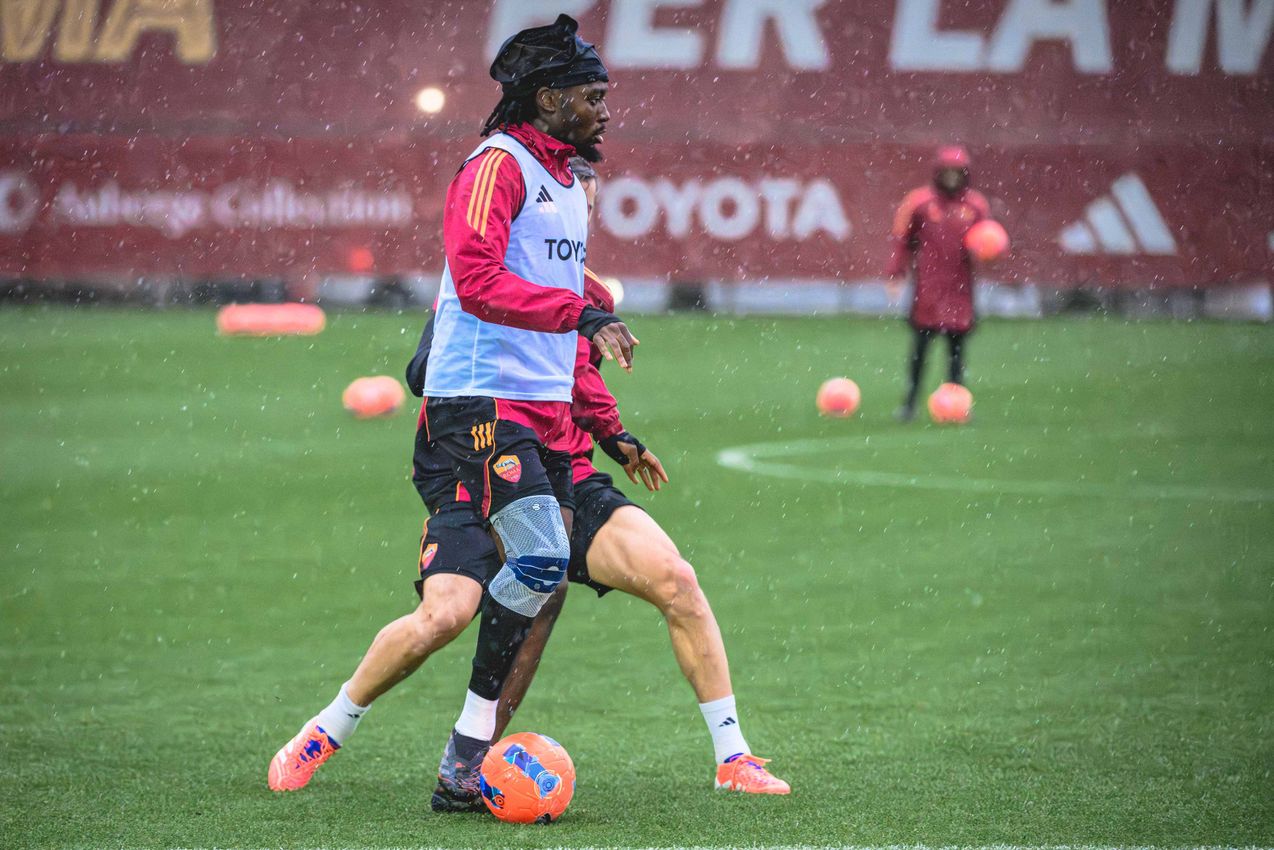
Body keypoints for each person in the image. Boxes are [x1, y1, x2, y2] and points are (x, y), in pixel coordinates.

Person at [267, 14, 639, 793]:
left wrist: (606, 408)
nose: (606, 109)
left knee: (499, 594)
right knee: (538, 563)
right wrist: (584, 315)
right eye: (592, 96)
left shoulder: (570, 182)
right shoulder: (496, 167)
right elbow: (475, 283)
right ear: (546, 98)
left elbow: (564, 293)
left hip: (541, 409)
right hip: (476, 400)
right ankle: (459, 755)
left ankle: (448, 758)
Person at [428, 159, 790, 806]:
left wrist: (618, 438)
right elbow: (433, 367)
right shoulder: (493, 281)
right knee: (532, 600)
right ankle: (468, 762)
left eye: (586, 208)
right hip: (507, 462)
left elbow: (583, 381)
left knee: (677, 580)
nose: (579, 220)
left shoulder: (588, 293)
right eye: (570, 206)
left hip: (575, 473)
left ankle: (733, 756)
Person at [885, 145, 990, 421]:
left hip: (960, 289)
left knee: (956, 352)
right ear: (938, 173)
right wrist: (896, 273)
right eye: (948, 172)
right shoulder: (919, 202)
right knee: (920, 349)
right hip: (928, 289)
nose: (952, 178)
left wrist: (990, 252)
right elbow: (902, 240)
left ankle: (957, 407)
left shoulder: (976, 206)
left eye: (958, 173)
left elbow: (987, 242)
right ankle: (909, 405)